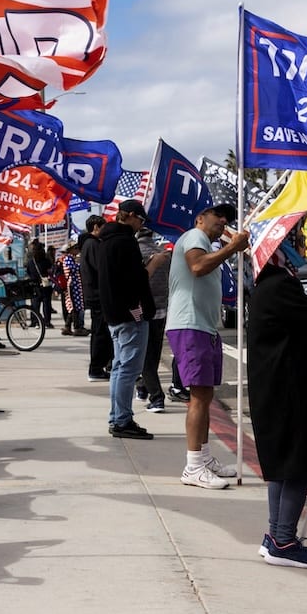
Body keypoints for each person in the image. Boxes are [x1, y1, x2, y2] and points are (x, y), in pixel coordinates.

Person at [247, 223, 307, 568]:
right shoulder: (280, 287)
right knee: (297, 466)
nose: (301, 244)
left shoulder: (271, 286)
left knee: (284, 467)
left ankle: (277, 535)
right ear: (279, 250)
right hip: (289, 394)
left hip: (280, 389)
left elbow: (298, 342)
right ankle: (283, 540)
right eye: (294, 240)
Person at [167, 203, 251, 489]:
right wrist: (232, 248)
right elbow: (197, 266)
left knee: (204, 395)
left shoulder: (206, 243)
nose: (224, 220)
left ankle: (202, 458)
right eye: (218, 215)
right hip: (190, 325)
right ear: (200, 218)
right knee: (199, 397)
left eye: (227, 217)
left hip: (202, 326)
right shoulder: (195, 236)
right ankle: (193, 467)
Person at [95, 199, 155, 438]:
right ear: (129, 215)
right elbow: (135, 281)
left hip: (114, 314)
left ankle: (118, 417)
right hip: (129, 315)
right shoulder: (125, 242)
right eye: (140, 219)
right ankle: (122, 420)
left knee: (120, 369)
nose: (141, 224)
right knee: (129, 370)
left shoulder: (105, 241)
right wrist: (153, 265)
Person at [136, 226, 173, 413]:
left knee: (144, 357)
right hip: (162, 308)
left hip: (143, 309)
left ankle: (157, 397)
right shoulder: (163, 254)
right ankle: (142, 387)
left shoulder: (137, 252)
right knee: (154, 352)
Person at [81, 217, 112, 378]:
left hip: (95, 295)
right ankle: (96, 368)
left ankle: (100, 366)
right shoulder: (93, 245)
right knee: (100, 333)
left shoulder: (89, 244)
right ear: (95, 227)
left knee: (101, 332)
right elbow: (101, 269)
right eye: (103, 227)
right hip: (97, 295)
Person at [26, 239, 55, 329]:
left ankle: (35, 321)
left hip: (35, 285)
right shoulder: (46, 261)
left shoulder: (31, 262)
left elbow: (28, 272)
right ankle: (47, 322)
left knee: (35, 304)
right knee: (47, 304)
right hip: (46, 285)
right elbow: (50, 272)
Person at [57, 242, 85, 336]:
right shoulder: (68, 259)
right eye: (75, 248)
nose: (77, 250)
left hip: (76, 285)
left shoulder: (71, 258)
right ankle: (77, 328)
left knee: (75, 306)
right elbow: (74, 268)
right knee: (74, 306)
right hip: (72, 285)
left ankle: (68, 326)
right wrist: (80, 265)